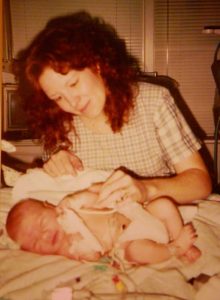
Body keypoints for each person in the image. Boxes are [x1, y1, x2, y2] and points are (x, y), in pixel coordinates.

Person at [14, 10, 212, 208]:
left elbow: (200, 182)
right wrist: (55, 166)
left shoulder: (153, 101)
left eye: (73, 84)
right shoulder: (59, 121)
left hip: (156, 215)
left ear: (96, 64)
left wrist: (146, 189)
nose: (71, 102)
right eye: (57, 97)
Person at [6, 186, 201, 265]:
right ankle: (175, 248)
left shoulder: (70, 207)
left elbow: (98, 199)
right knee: (139, 251)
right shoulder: (68, 249)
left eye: (41, 224)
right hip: (127, 241)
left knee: (164, 205)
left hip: (137, 216)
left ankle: (178, 237)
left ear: (49, 206)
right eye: (34, 242)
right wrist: (87, 253)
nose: (44, 236)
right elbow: (93, 257)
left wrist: (79, 198)